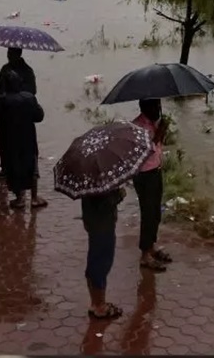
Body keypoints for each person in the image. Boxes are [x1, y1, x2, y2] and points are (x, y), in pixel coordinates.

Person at [0, 68, 47, 210]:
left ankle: (19, 198)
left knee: (14, 167)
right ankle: (35, 198)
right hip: (29, 138)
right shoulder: (29, 98)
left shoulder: (3, 100)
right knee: (32, 166)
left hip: (10, 139)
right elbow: (39, 116)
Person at [131, 98, 172, 272]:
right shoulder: (137, 127)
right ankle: (144, 255)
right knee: (148, 213)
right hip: (144, 175)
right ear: (145, 108)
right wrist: (159, 133)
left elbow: (159, 145)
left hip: (155, 170)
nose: (157, 109)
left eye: (159, 106)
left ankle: (151, 246)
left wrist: (161, 131)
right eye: (154, 106)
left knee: (155, 212)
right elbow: (145, 151)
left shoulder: (153, 122)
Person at [0, 47, 36, 182]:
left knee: (20, 145)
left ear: (18, 54)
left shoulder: (27, 71)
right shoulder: (5, 69)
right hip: (5, 113)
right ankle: (5, 169)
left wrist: (18, 89)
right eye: (8, 53)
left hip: (20, 114)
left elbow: (32, 91)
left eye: (11, 53)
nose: (9, 56)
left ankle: (20, 172)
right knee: (2, 142)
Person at [82, 185, 125, 320]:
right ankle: (100, 306)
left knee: (95, 259)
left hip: (92, 221)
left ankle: (96, 302)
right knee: (102, 261)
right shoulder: (100, 181)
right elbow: (103, 203)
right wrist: (119, 195)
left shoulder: (87, 177)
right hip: (103, 224)